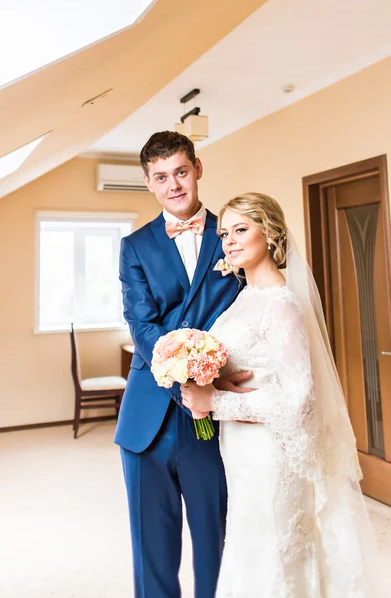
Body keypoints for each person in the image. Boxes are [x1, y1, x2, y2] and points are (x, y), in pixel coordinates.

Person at [181, 192, 384, 597]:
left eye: (241, 229)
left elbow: (299, 400)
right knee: (250, 543)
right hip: (240, 446)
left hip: (272, 452)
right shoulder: (244, 298)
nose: (230, 241)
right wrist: (214, 380)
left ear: (270, 234)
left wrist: (213, 402)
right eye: (224, 233)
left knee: (273, 548)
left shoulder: (281, 303)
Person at [114, 131, 252, 598]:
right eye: (160, 177)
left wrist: (209, 387)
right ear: (148, 183)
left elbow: (246, 311)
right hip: (147, 418)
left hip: (212, 414)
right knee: (151, 548)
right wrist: (186, 376)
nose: (173, 184)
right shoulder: (134, 247)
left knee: (216, 540)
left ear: (197, 169)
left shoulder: (231, 234)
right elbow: (141, 325)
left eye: (180, 172)